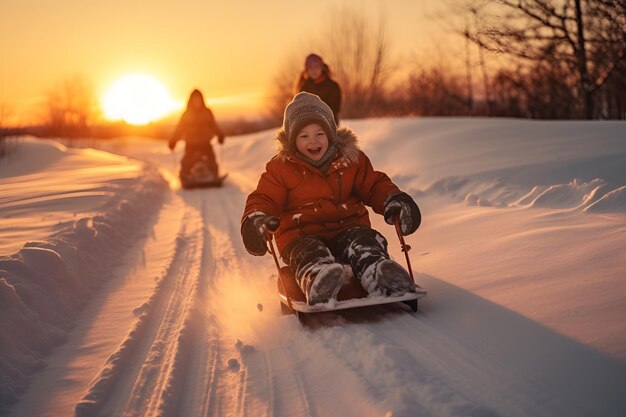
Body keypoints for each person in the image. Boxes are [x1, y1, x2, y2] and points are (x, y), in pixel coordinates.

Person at [240, 92, 422, 305]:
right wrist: (256, 218)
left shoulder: (350, 160)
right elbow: (265, 197)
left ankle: (378, 272)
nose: (313, 141)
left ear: (330, 135)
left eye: (319, 133)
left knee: (365, 242)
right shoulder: (281, 168)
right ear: (291, 140)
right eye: (304, 136)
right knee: (307, 252)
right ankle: (318, 278)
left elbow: (373, 184)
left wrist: (393, 199)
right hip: (301, 235)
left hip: (348, 228)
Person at [169, 89, 225, 179]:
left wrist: (220, 135)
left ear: (202, 100)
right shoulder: (187, 114)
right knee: (186, 162)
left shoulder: (207, 112)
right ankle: (185, 175)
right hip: (191, 144)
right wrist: (173, 141)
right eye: (195, 100)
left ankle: (214, 175)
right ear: (191, 101)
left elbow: (214, 125)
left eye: (198, 100)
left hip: (205, 143)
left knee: (211, 161)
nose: (197, 102)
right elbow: (179, 129)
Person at [295, 53, 342, 124]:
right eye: (311, 68)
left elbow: (335, 109)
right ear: (307, 70)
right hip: (308, 125)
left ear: (322, 68)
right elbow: (300, 108)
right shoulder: (304, 87)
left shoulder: (333, 86)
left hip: (329, 124)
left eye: (316, 67)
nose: (314, 71)